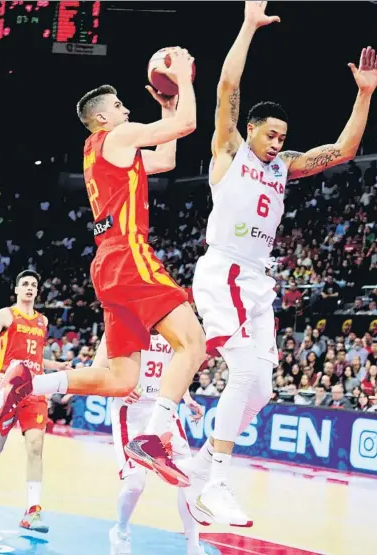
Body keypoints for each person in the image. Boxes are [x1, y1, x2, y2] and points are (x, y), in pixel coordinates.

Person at [188, 0, 377, 527]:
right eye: (270, 134)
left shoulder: (284, 167)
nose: (277, 143)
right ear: (250, 130)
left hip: (256, 280)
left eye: (282, 138)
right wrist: (248, 26)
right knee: (244, 371)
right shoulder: (230, 151)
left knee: (264, 387)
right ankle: (217, 480)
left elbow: (341, 150)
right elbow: (227, 89)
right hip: (222, 269)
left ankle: (202, 466)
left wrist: (364, 95)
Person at [0, 48, 206, 488]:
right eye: (121, 106)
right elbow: (188, 124)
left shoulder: (101, 149)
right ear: (103, 118)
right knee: (194, 343)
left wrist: (166, 111)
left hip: (106, 265)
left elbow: (166, 160)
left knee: (123, 378)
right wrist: (184, 83)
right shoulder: (118, 138)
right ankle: (154, 437)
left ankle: (31, 381)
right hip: (128, 254)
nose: (128, 109)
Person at [0, 270, 70, 532]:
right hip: (8, 389)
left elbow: (36, 359)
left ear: (37, 291)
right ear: (17, 290)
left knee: (36, 446)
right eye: (25, 284)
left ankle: (33, 511)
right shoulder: (5, 315)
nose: (29, 288)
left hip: (34, 390)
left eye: (34, 285)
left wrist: (58, 365)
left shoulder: (42, 321)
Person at [93, 332, 205, 555]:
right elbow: (97, 370)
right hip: (131, 412)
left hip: (164, 410)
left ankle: (193, 546)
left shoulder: (172, 324)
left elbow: (177, 370)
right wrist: (120, 389)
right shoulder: (120, 322)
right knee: (135, 483)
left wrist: (188, 398)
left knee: (187, 477)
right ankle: (121, 531)